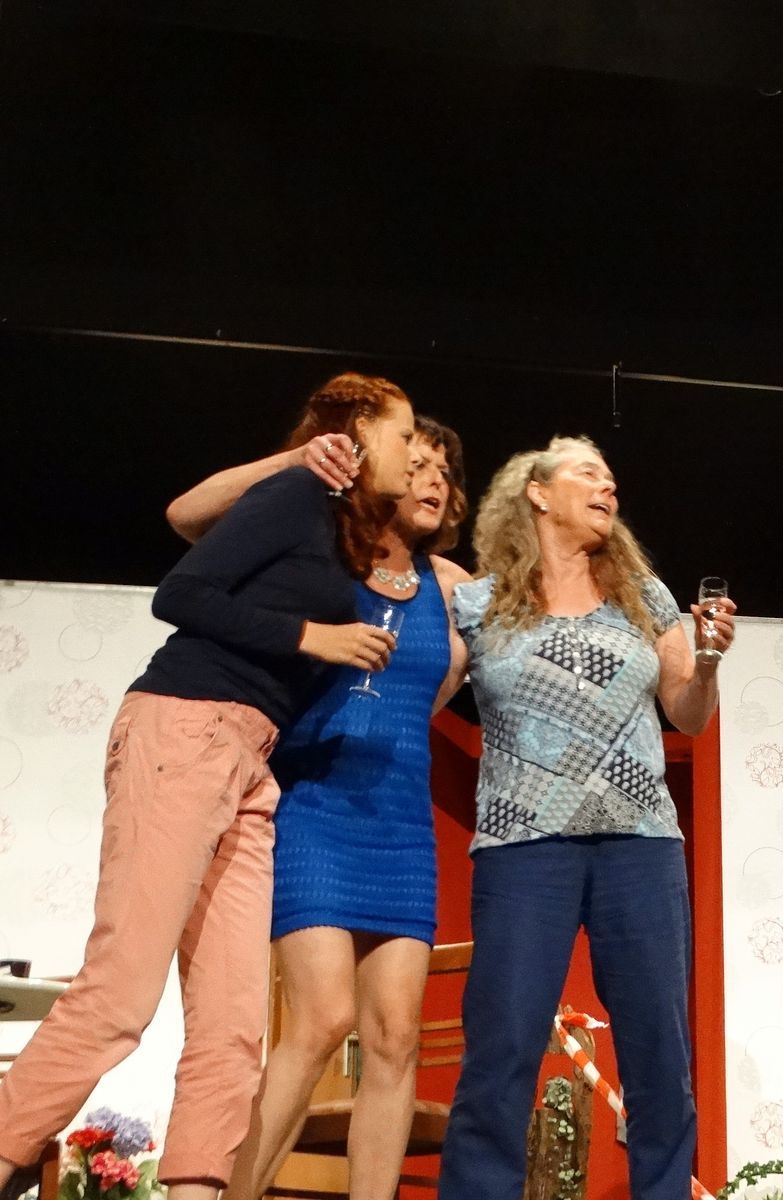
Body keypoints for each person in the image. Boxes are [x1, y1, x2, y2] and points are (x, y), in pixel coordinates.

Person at [0, 372, 416, 1200]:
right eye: (405, 434)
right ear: (361, 429)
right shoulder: (295, 494)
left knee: (232, 1026)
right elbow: (180, 592)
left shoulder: (341, 530)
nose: (414, 452)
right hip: (187, 728)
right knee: (120, 996)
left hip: (251, 765)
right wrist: (314, 636)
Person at [165, 414, 472, 1200]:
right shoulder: (326, 551)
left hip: (400, 821)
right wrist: (298, 460)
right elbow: (188, 516)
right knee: (322, 1017)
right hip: (313, 803)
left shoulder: (453, 588)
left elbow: (443, 688)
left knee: (396, 1036)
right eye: (419, 462)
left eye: (446, 472)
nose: (434, 480)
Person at [437, 436, 732, 1200]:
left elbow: (688, 714)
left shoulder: (645, 597)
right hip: (524, 848)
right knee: (502, 1047)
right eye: (588, 474)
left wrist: (706, 660)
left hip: (640, 844)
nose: (609, 487)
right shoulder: (478, 604)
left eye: (611, 478)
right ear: (537, 493)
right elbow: (424, 697)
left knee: (658, 1054)